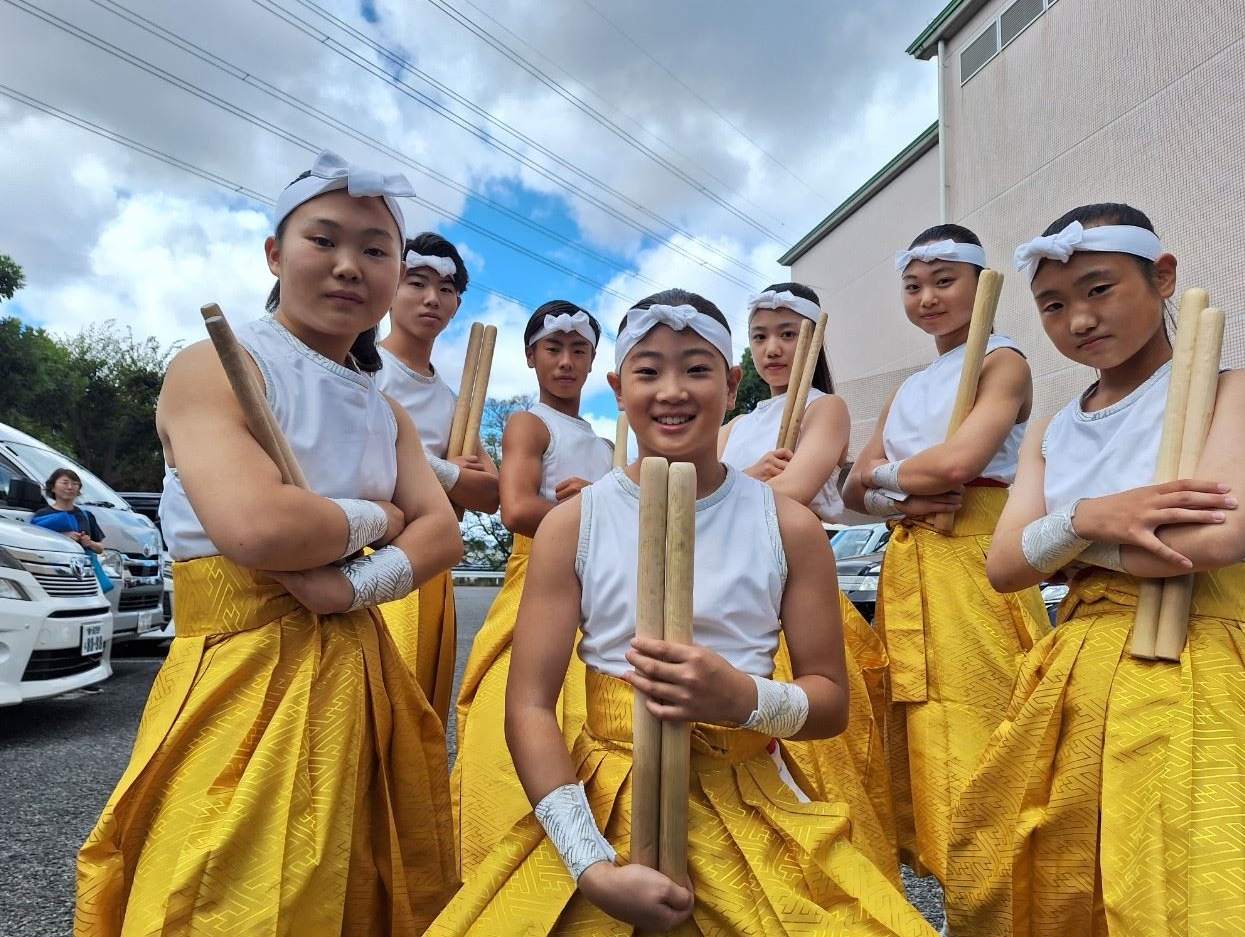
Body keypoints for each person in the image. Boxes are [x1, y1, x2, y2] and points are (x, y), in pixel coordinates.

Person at [426, 289, 935, 936]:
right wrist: (591, 865)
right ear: (617, 386)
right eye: (648, 370)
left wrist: (742, 696)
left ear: (730, 381)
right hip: (604, 795)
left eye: (696, 369)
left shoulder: (789, 526)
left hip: (746, 784)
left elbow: (829, 701)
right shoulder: (571, 524)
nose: (672, 390)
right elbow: (528, 705)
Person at [75, 151, 462, 936]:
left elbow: (446, 535)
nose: (350, 265)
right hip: (237, 667)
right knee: (217, 882)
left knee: (356, 876)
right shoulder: (215, 366)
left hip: (356, 667)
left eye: (376, 249)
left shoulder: (382, 409)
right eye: (324, 240)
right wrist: (381, 518)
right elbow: (257, 529)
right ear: (275, 255)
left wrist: (352, 587)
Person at [947, 204, 1245, 936]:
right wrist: (1088, 517)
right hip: (1078, 668)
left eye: (1098, 289)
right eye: (1053, 305)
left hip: (1203, 654)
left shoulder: (1231, 387)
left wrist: (1063, 541)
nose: (1078, 319)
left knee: (1196, 876)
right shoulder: (1058, 425)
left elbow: (1215, 537)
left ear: (1163, 278)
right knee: (1061, 870)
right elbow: (1003, 564)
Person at [842, 225, 1051, 893]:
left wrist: (890, 473)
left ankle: (1002, 879)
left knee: (986, 710)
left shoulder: (1003, 361)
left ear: (978, 282)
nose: (928, 297)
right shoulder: (909, 386)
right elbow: (852, 486)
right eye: (913, 286)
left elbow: (961, 463)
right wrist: (903, 495)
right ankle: (949, 871)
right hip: (912, 553)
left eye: (943, 281)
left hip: (977, 549)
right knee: (920, 717)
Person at [719, 282, 899, 885]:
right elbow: (706, 491)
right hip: (730, 587)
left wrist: (739, 487)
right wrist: (749, 477)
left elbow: (798, 490)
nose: (772, 349)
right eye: (760, 336)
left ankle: (834, 885)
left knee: (822, 753)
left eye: (787, 334)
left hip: (800, 582)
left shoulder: (827, 408)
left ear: (813, 340)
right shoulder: (735, 424)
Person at [451, 300, 613, 879]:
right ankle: (508, 858)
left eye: (579, 350)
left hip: (600, 586)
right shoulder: (528, 422)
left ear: (594, 361)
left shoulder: (606, 442)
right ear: (530, 358)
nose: (566, 361)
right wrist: (599, 513)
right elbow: (516, 508)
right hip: (539, 578)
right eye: (553, 349)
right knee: (520, 710)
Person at [376, 230, 499, 723]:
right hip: (368, 560)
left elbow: (490, 495)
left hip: (432, 569)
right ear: (390, 285)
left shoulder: (456, 401)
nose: (431, 298)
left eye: (445, 289)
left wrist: (416, 472)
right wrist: (449, 473)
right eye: (417, 282)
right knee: (372, 713)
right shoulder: (361, 369)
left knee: (422, 715)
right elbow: (362, 469)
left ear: (456, 304)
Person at [32, 468, 105, 552]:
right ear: (53, 488)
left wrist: (90, 543)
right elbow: (36, 542)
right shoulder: (42, 515)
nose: (70, 487)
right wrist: (64, 536)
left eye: (74, 484)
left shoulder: (86, 516)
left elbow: (100, 548)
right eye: (65, 483)